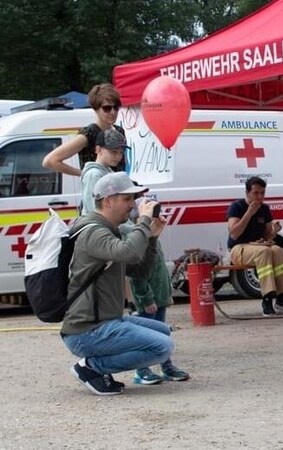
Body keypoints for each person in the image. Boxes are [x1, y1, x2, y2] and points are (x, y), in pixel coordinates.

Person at [61, 172, 173, 396]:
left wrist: (151, 238)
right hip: (87, 330)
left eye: (133, 200)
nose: (132, 205)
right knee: (162, 347)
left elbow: (138, 270)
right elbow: (128, 252)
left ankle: (96, 366)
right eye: (127, 199)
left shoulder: (108, 231)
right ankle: (91, 368)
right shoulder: (93, 232)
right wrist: (143, 221)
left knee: (164, 332)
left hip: (105, 320)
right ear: (108, 200)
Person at [126, 194, 191, 385]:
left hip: (159, 295)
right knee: (145, 335)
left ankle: (166, 365)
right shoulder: (136, 235)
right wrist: (145, 297)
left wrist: (165, 293)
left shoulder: (152, 233)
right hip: (148, 299)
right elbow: (137, 273)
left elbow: (158, 266)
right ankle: (141, 369)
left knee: (162, 333)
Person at [227, 176, 283, 316]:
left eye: (262, 193)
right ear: (247, 193)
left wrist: (274, 230)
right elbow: (234, 234)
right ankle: (267, 298)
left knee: (278, 250)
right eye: (256, 193)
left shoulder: (265, 208)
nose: (259, 197)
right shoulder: (236, 207)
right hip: (239, 248)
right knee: (265, 252)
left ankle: (282, 298)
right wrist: (249, 213)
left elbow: (268, 235)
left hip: (259, 245)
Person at [42, 83, 126, 176]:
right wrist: (84, 174)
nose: (113, 112)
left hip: (118, 186)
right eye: (107, 108)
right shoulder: (88, 133)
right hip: (96, 187)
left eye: (116, 107)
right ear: (95, 109)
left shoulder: (119, 130)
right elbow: (50, 160)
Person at [79, 128, 126, 216]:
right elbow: (94, 209)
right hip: (98, 226)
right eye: (114, 152)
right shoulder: (93, 175)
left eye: (121, 152)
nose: (118, 156)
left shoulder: (108, 171)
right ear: (98, 150)